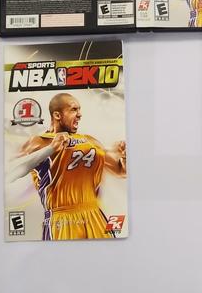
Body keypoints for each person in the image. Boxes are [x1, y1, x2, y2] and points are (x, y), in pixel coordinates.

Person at [7, 92, 127, 240]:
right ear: (57, 115)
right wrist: (50, 149)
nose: (80, 114)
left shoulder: (91, 141)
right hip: (62, 219)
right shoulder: (39, 142)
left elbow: (121, 171)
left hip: (95, 215)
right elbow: (9, 173)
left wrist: (125, 156)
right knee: (63, 254)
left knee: (109, 252)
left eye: (79, 109)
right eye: (74, 109)